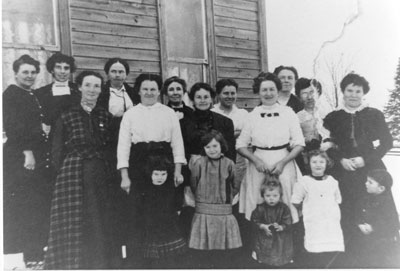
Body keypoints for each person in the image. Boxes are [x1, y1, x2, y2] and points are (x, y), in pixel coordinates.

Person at [45, 71, 113, 269]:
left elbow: (110, 146)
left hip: (98, 171)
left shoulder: (104, 115)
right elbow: (57, 149)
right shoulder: (67, 115)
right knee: (73, 218)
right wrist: (62, 172)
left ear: (101, 90)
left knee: (97, 216)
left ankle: (98, 262)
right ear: (80, 87)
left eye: (97, 86)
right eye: (88, 85)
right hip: (72, 172)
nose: (92, 90)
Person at [117, 73, 186, 268]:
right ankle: (143, 261)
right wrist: (124, 176)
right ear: (138, 91)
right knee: (141, 211)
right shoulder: (130, 114)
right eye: (145, 89)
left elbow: (177, 143)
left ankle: (166, 260)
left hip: (164, 165)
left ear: (158, 91)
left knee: (164, 211)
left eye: (153, 89)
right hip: (139, 166)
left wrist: (178, 170)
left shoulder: (168, 113)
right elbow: (123, 146)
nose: (149, 93)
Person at [323, 73, 393, 253]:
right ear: (343, 92)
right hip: (344, 171)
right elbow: (327, 144)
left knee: (373, 210)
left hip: (370, 169)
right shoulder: (334, 117)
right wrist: (340, 160)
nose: (353, 94)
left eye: (357, 91)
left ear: (363, 93)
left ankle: (375, 253)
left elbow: (387, 143)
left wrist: (366, 159)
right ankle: (348, 254)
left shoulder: (374, 114)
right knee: (347, 210)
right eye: (349, 90)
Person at [3, 55, 53, 267]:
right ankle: (27, 258)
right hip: (22, 157)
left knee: (37, 204)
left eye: (33, 72)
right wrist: (27, 152)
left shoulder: (29, 94)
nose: (30, 76)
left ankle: (35, 254)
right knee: (26, 205)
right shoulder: (11, 95)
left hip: (36, 154)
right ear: (15, 73)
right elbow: (13, 126)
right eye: (25, 72)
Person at [236, 72, 305, 222]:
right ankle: (260, 241)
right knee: (258, 201)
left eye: (272, 89)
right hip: (258, 166)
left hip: (284, 164)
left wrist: (282, 163)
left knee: (285, 201)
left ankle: (285, 240)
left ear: (278, 90)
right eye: (264, 90)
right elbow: (240, 145)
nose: (268, 93)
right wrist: (256, 160)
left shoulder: (288, 113)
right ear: (258, 92)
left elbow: (299, 143)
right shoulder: (253, 115)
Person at [97, 57, 141, 266]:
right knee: (113, 199)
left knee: (130, 199)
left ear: (126, 74)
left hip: (131, 146)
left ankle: (132, 252)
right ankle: (113, 254)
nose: (117, 75)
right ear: (108, 74)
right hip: (109, 146)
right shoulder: (102, 93)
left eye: (121, 71)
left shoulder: (132, 93)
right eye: (113, 71)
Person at [188, 130, 242, 268]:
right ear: (203, 149)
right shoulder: (199, 163)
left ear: (221, 146)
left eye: (215, 146)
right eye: (208, 147)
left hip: (223, 209)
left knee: (223, 250)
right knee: (204, 249)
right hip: (204, 209)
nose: (211, 150)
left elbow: (235, 184)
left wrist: (226, 198)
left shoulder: (229, 163)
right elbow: (194, 183)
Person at [291, 150, 344, 268]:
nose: (318, 164)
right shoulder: (304, 181)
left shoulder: (332, 181)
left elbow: (337, 200)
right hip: (313, 221)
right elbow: (296, 200)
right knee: (314, 250)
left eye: (321, 161)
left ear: (327, 163)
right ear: (308, 164)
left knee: (330, 249)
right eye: (314, 162)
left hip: (330, 222)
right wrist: (309, 210)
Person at [141, 153, 187, 269]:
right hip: (153, 228)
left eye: (163, 174)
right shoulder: (146, 190)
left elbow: (177, 204)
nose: (160, 177)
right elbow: (144, 209)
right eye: (156, 174)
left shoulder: (170, 187)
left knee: (171, 259)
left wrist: (177, 211)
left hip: (169, 227)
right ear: (150, 174)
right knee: (155, 261)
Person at [353, 169, 400, 268]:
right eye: (367, 180)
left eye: (370, 182)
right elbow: (358, 214)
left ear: (381, 188)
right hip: (367, 242)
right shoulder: (366, 198)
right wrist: (360, 224)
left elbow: (393, 224)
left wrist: (373, 228)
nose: (366, 183)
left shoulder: (387, 203)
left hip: (383, 245)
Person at [211, 78, 249, 191]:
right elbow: (213, 137)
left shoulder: (243, 114)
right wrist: (236, 133)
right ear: (218, 94)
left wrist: (225, 134)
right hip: (217, 158)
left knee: (238, 190)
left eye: (233, 93)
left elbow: (247, 136)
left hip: (239, 159)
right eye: (226, 93)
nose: (230, 96)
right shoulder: (212, 112)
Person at [162, 76, 194, 210]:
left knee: (189, 200)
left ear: (184, 92)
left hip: (189, 161)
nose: (175, 92)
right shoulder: (162, 113)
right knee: (172, 199)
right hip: (169, 161)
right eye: (171, 89)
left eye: (178, 89)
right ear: (166, 93)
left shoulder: (192, 113)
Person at [251, 177, 293, 267]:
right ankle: (263, 260)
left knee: (280, 250)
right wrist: (262, 226)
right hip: (265, 235)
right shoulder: (260, 208)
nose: (271, 199)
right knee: (264, 249)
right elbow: (254, 220)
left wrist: (281, 226)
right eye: (268, 196)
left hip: (280, 237)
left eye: (275, 196)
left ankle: (282, 261)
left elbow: (288, 221)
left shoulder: (284, 208)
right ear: (263, 195)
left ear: (280, 195)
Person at [34, 52, 80, 131]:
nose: (62, 71)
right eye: (58, 67)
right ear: (52, 70)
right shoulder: (41, 93)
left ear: (70, 70)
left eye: (66, 68)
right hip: (53, 137)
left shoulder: (78, 90)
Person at [294, 78, 329, 174]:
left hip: (328, 159)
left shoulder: (327, 114)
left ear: (318, 93)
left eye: (312, 92)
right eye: (304, 93)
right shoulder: (297, 118)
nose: (309, 97)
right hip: (307, 161)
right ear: (299, 97)